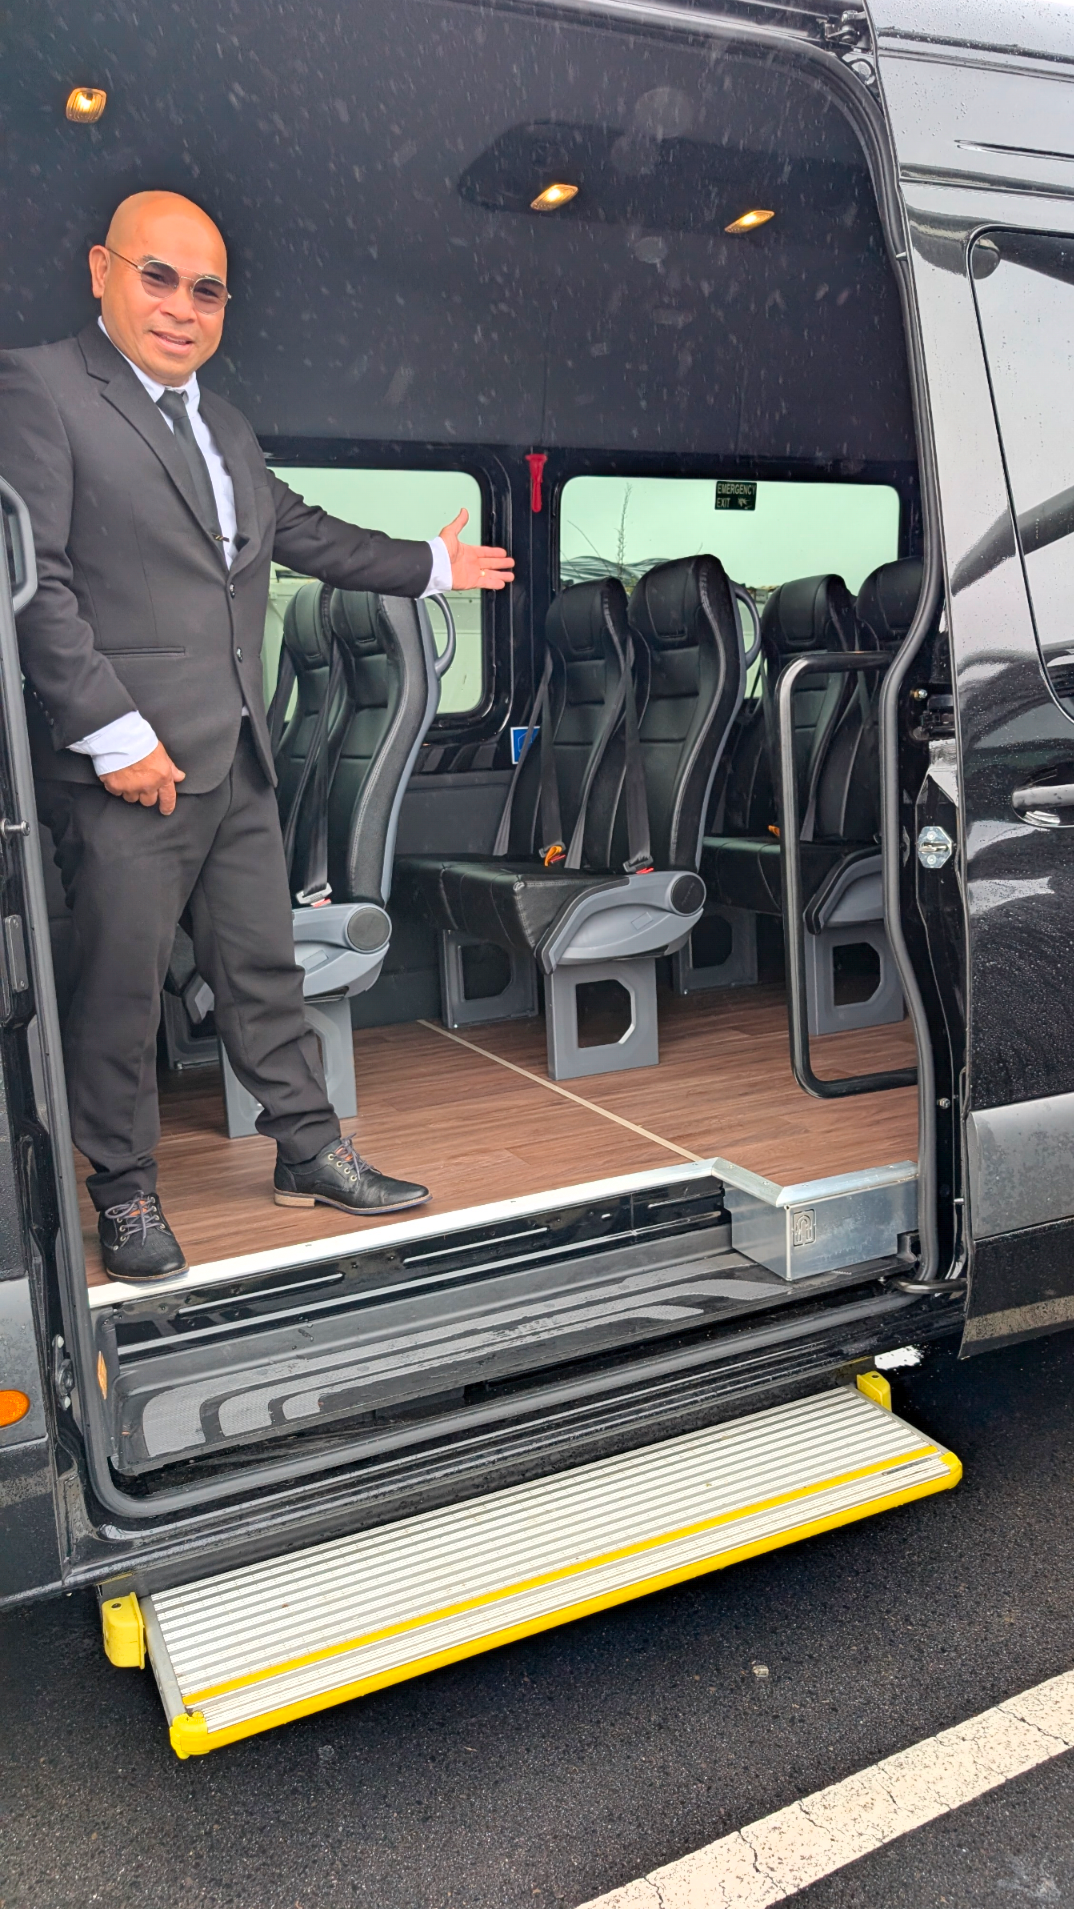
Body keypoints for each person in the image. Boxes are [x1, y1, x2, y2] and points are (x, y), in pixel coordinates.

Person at [0, 190, 514, 1283]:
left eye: (207, 289)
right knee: (122, 988)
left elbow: (306, 533)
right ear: (102, 270)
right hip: (128, 764)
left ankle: (309, 1148)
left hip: (235, 753)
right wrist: (109, 731)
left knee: (261, 967)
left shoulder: (223, 424)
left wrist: (431, 563)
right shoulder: (42, 386)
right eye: (157, 277)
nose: (182, 307)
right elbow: (33, 584)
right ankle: (125, 1189)